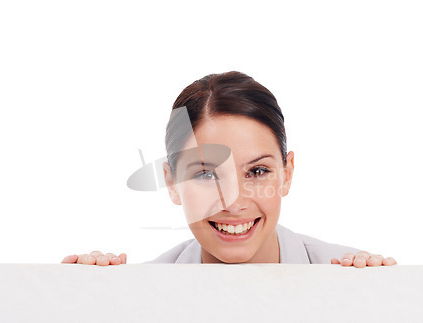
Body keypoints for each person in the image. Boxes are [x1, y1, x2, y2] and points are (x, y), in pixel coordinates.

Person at [62, 71, 397, 267]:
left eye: (257, 171)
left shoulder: (347, 277)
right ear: (172, 183)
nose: (233, 203)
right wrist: (88, 301)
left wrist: (387, 299)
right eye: (206, 174)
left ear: (287, 173)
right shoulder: (139, 289)